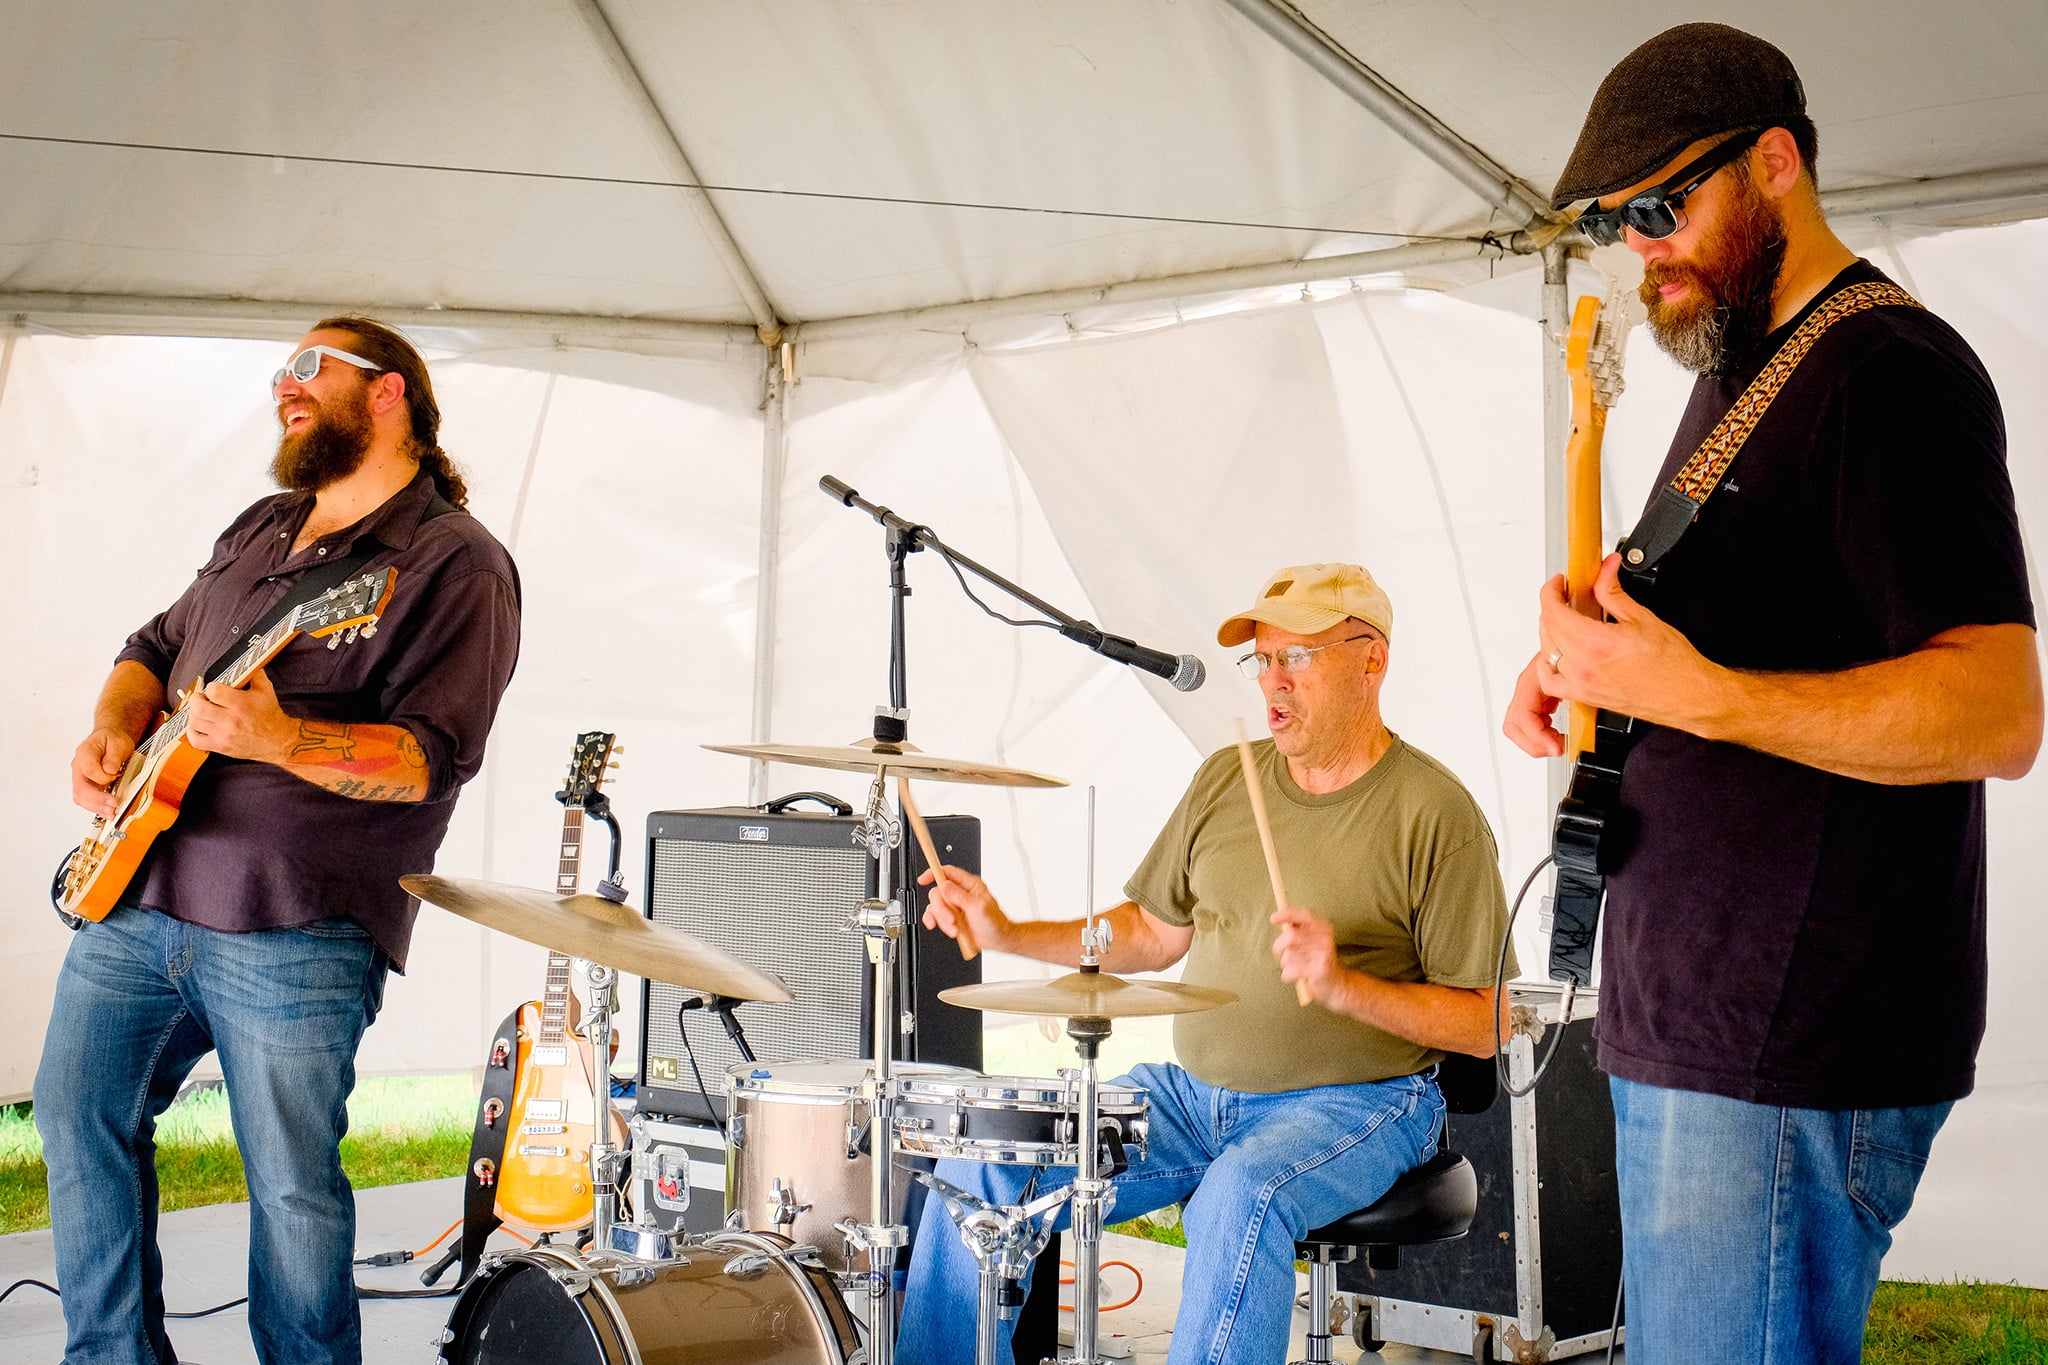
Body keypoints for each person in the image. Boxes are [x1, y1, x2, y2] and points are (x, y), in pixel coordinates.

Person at [1505, 24, 2042, 1365]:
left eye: (1661, 208)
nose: (1640, 250)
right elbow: (1710, 644)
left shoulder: (1889, 372)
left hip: (1788, 1048)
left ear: (1776, 164)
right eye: (1615, 224)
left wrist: (1706, 695)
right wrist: (1586, 666)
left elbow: (1997, 710)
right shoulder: (1745, 368)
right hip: (1698, 1024)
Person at [36, 316, 522, 1365]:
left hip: (295, 924)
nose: (284, 388)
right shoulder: (264, 525)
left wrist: (281, 737)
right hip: (139, 892)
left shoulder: (455, 562)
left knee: (292, 1190)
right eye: (279, 373)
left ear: (389, 391)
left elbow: (432, 759)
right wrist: (115, 729)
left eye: (309, 367)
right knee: (76, 1122)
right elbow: (153, 645)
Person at [902, 563, 1514, 1365]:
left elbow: (1486, 1023)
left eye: (1298, 656)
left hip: (1362, 1101)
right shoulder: (1228, 777)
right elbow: (1153, 932)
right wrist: (1006, 929)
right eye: (1263, 658)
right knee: (990, 1155)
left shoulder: (1436, 812)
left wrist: (1345, 986)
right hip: (1194, 1097)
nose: (1273, 680)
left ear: (1372, 659)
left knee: (1238, 1195)